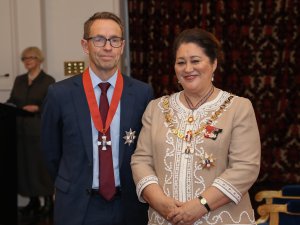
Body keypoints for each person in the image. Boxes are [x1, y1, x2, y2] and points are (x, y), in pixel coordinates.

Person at [131, 28, 261, 225]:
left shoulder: (238, 107)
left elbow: (245, 167)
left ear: (213, 63)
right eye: (181, 62)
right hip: (165, 218)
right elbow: (141, 160)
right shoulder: (156, 108)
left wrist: (201, 205)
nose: (188, 68)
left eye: (195, 61)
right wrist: (160, 203)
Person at [41, 12, 153, 225]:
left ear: (122, 46)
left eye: (114, 40)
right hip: (77, 205)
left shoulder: (142, 93)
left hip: (128, 205)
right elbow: (50, 153)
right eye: (99, 39)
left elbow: (147, 150)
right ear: (85, 45)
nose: (107, 47)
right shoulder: (59, 94)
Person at [6, 46, 55, 217]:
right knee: (24, 168)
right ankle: (33, 202)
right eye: (24, 58)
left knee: (39, 168)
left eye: (31, 58)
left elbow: (52, 106)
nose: (27, 61)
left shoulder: (48, 80)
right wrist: (8, 106)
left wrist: (38, 108)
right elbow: (12, 99)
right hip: (19, 131)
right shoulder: (19, 80)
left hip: (38, 131)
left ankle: (49, 202)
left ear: (39, 60)